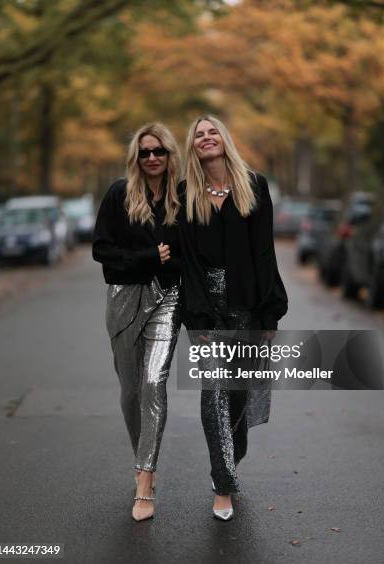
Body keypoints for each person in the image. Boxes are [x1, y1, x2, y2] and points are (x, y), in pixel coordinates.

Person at [178, 115, 288, 521]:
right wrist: (197, 317)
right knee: (214, 390)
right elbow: (187, 261)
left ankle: (231, 455)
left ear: (225, 140)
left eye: (213, 133)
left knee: (239, 393)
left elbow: (265, 253)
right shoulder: (186, 192)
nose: (206, 139)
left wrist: (269, 314)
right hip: (206, 306)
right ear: (193, 147)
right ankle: (222, 485)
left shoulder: (253, 186)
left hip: (247, 305)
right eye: (199, 135)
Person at [92, 122, 181, 522]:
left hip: (168, 296)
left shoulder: (184, 195)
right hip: (124, 296)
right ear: (136, 157)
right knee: (130, 391)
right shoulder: (118, 193)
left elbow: (193, 252)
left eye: (158, 150)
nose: (151, 158)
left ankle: (144, 478)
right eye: (144, 152)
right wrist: (146, 257)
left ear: (170, 154)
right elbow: (101, 250)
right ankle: (143, 458)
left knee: (152, 382)